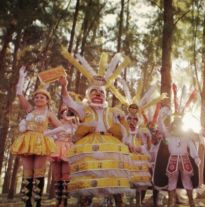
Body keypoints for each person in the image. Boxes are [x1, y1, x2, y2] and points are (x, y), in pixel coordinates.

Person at [59, 75, 131, 207]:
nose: (98, 94)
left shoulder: (113, 111)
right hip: (89, 144)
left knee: (114, 172)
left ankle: (118, 201)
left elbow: (125, 126)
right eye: (94, 92)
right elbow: (68, 101)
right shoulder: (83, 109)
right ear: (88, 95)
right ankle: (85, 202)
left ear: (105, 97)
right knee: (88, 173)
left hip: (110, 145)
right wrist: (64, 86)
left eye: (102, 92)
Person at [12, 66, 61, 207]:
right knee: (27, 173)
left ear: (47, 100)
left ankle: (38, 202)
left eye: (42, 97)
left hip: (41, 143)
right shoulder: (29, 109)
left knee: (39, 172)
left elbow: (61, 127)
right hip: (27, 142)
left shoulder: (49, 113)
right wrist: (21, 76)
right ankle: (27, 203)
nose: (39, 98)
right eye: (37, 97)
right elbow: (19, 93)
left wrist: (49, 134)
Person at [157, 109, 200, 207]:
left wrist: (196, 157)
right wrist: (161, 117)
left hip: (185, 160)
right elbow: (161, 127)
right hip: (173, 159)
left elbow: (192, 146)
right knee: (172, 181)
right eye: (175, 125)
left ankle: (191, 201)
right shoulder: (168, 136)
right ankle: (171, 202)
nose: (177, 127)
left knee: (187, 181)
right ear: (172, 126)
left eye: (179, 125)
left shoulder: (186, 136)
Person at [47, 105, 78, 207]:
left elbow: (77, 134)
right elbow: (50, 133)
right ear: (60, 113)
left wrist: (73, 122)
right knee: (56, 175)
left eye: (68, 112)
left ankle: (64, 201)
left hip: (68, 148)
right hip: (56, 148)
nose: (66, 113)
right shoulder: (57, 123)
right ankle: (58, 199)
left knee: (66, 174)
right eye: (64, 111)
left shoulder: (74, 124)